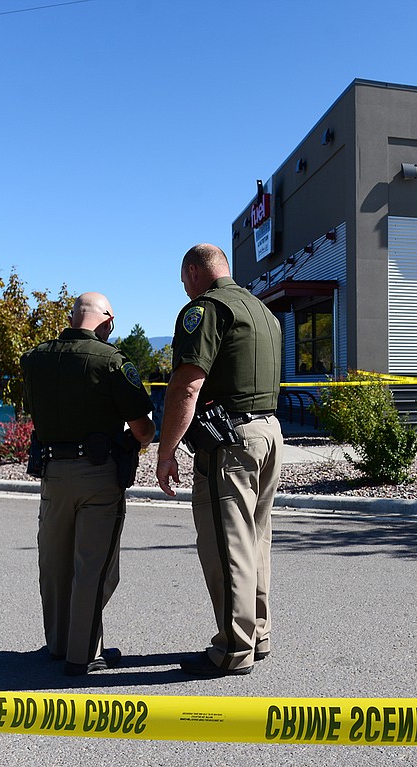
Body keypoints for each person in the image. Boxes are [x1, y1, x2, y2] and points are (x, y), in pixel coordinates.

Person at [156, 243, 283, 678]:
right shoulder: (261, 309)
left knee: (226, 544)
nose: (184, 289)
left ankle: (233, 647)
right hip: (269, 433)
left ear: (194, 271)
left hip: (230, 441)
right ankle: (258, 634)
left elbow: (187, 387)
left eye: (183, 279)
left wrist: (166, 450)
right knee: (256, 539)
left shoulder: (206, 311)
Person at [20, 292, 155, 676]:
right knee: (94, 567)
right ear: (107, 320)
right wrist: (140, 442)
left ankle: (59, 644)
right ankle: (83, 654)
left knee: (55, 562)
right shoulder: (111, 361)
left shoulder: (34, 358)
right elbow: (143, 427)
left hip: (52, 473)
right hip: (97, 475)